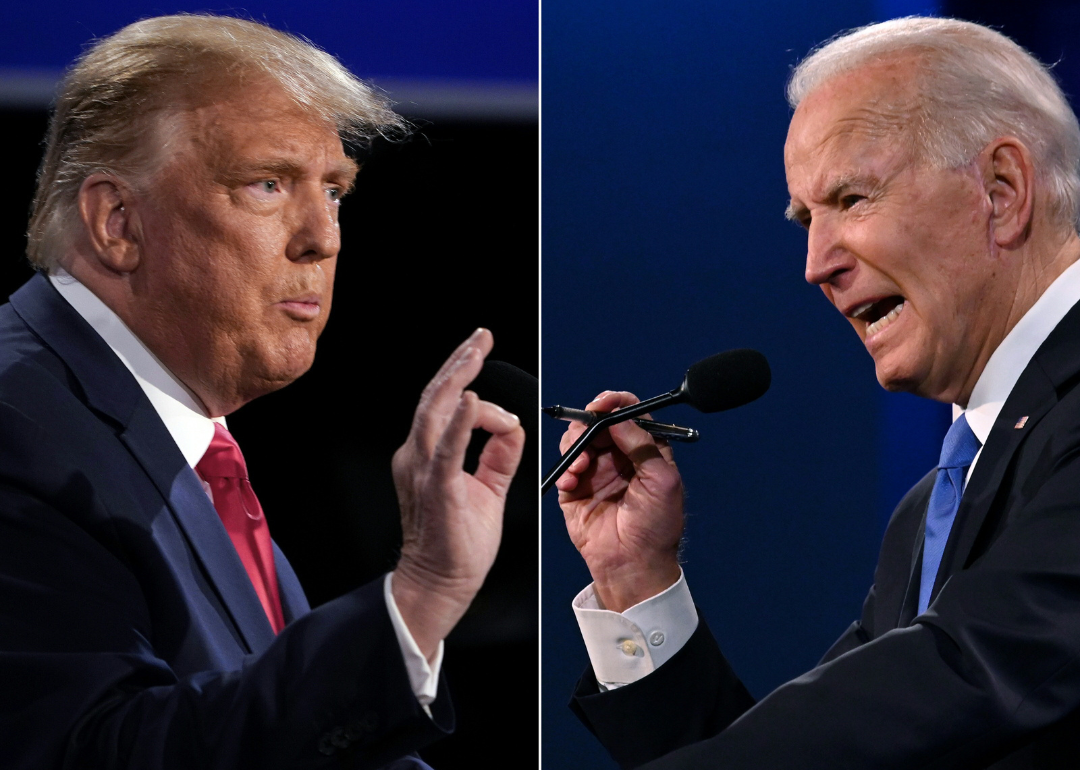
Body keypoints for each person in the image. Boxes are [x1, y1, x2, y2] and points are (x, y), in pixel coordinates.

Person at [0, 14, 526, 770]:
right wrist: (417, 596)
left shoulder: (173, 437)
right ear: (117, 223)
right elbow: (100, 753)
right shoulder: (20, 426)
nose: (324, 236)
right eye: (267, 184)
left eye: (336, 191)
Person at [556, 16, 1080, 769]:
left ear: (1000, 191)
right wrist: (636, 580)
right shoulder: (932, 509)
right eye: (806, 218)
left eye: (853, 198)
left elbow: (964, 676)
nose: (815, 264)